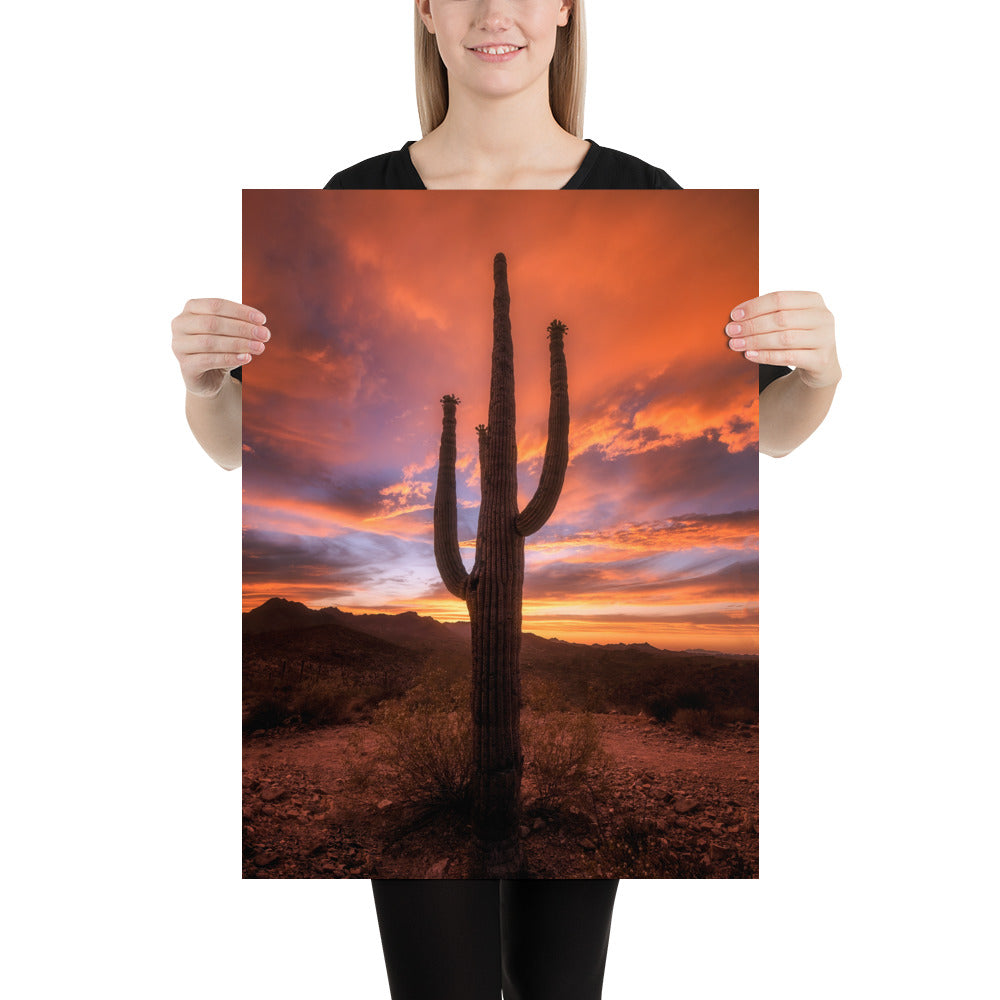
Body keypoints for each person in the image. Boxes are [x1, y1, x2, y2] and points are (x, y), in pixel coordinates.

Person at [171, 2, 841, 998]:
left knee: (559, 990)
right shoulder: (355, 192)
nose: (497, 11)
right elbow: (236, 451)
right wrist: (203, 384)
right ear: (427, 12)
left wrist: (819, 374)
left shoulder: (645, 192)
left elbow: (771, 436)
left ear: (566, 9)